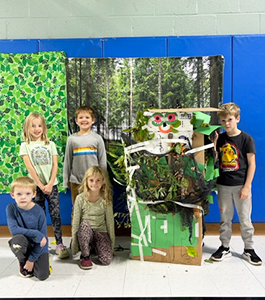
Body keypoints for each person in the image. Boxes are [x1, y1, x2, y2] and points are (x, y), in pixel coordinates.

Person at [210, 102, 262, 265]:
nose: (226, 124)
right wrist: (214, 144)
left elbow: (252, 164)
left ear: (237, 119)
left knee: (245, 218)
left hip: (241, 185)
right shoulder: (221, 138)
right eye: (223, 121)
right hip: (223, 185)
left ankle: (249, 249)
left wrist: (247, 186)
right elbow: (215, 160)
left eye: (230, 120)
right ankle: (225, 247)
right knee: (225, 218)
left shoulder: (246, 139)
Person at [19, 112, 69, 259]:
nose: (36, 129)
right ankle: (42, 243)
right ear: (27, 128)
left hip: (51, 185)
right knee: (38, 216)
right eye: (33, 126)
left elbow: (55, 165)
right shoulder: (25, 146)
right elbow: (30, 168)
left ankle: (59, 243)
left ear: (44, 127)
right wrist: (40, 185)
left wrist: (51, 182)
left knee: (55, 214)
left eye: (39, 125)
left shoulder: (50, 144)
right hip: (35, 187)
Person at [6, 177, 50, 280]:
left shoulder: (39, 211)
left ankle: (32, 261)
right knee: (17, 241)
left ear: (34, 194)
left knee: (42, 276)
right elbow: (14, 230)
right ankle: (22, 261)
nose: (23, 197)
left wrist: (31, 260)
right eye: (19, 194)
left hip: (38, 246)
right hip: (23, 243)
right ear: (13, 195)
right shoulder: (11, 209)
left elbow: (43, 240)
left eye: (28, 194)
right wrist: (36, 234)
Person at [71, 166, 115, 269]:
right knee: (84, 226)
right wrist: (74, 245)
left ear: (103, 181)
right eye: (91, 180)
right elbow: (76, 221)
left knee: (106, 260)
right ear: (86, 181)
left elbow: (110, 222)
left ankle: (93, 247)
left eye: (98, 180)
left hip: (100, 231)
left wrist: (112, 246)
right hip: (86, 230)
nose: (94, 183)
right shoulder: (80, 198)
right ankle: (85, 256)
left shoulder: (106, 198)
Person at [63, 106, 107, 208]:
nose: (84, 120)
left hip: (94, 181)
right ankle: (77, 225)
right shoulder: (72, 139)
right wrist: (66, 181)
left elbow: (102, 160)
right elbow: (68, 161)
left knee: (93, 208)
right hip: (76, 181)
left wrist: (103, 179)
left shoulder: (97, 139)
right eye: (81, 117)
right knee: (77, 208)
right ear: (76, 121)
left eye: (87, 117)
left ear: (93, 120)